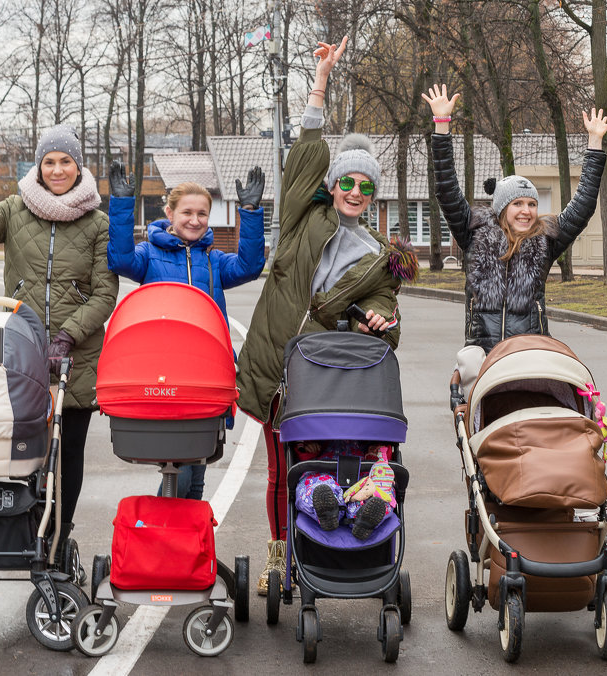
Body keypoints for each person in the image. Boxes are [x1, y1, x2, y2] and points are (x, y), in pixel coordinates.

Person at [235, 36, 415, 595]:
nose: (354, 191)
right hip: (274, 368)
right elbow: (306, 150)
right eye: (346, 182)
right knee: (275, 472)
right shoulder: (302, 218)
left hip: (327, 378)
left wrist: (382, 323)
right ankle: (277, 559)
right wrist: (320, 82)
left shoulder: (381, 256)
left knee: (326, 467)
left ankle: (326, 550)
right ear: (332, 186)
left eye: (366, 186)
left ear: (373, 194)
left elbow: (387, 307)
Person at [0, 126, 119, 563]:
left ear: (79, 165)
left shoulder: (97, 222)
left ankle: (58, 539)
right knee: (22, 452)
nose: (58, 169)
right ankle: (24, 535)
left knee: (68, 457)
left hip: (76, 359)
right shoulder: (15, 208)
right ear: (38, 166)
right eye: (50, 161)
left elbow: (105, 292)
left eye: (66, 161)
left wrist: (68, 335)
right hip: (21, 353)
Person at [106, 161, 267, 499]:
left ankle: (185, 541)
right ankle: (166, 538)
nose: (195, 220)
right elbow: (120, 260)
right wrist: (121, 205)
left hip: (206, 372)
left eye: (202, 214)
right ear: (170, 212)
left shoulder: (214, 260)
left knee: (197, 469)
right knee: (177, 464)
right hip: (164, 372)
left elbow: (250, 266)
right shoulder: (148, 255)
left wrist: (250, 212)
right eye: (187, 212)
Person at [422, 83, 607, 355]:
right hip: (482, 355)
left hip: (530, 354)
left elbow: (583, 206)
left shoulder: (546, 239)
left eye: (532, 204)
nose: (526, 210)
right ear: (501, 209)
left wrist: (594, 144)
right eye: (517, 203)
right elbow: (447, 188)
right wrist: (441, 124)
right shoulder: (473, 231)